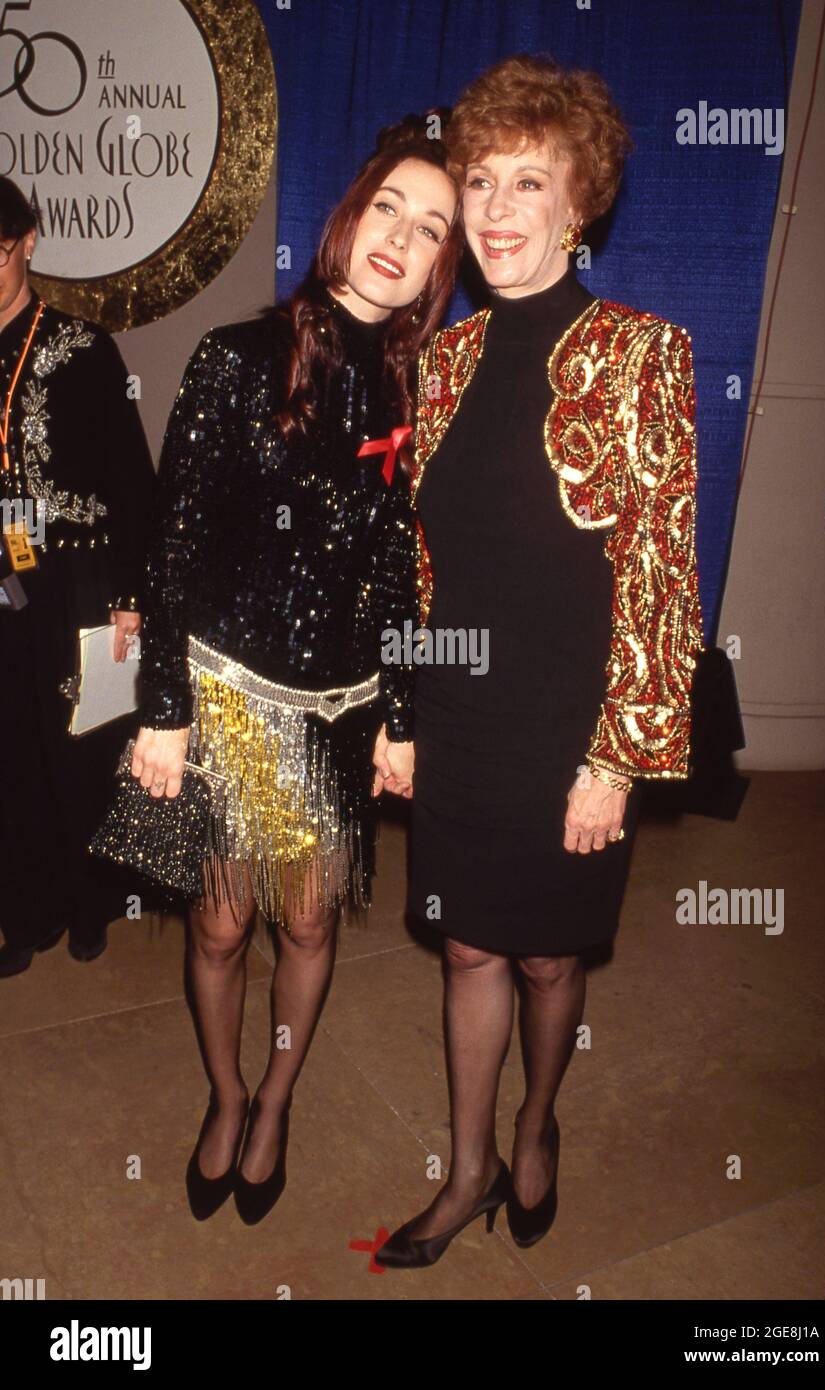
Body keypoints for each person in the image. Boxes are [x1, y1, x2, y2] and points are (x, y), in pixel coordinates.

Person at [375, 57, 705, 1268]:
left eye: (528, 181)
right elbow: (418, 567)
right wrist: (402, 712)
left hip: (571, 731)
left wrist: (615, 759)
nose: (496, 207)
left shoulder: (641, 354)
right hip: (460, 719)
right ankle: (463, 1170)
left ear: (579, 205)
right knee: (466, 944)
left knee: (550, 952)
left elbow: (662, 578)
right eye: (477, 181)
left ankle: (535, 1123)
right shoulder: (443, 361)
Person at [131, 115, 461, 1224]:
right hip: (228, 698)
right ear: (349, 214)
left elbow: (403, 574)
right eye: (388, 210)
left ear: (436, 268)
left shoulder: (414, 393)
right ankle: (224, 1095)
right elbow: (171, 544)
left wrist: (402, 713)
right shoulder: (237, 357)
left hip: (337, 712)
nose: (401, 239)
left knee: (310, 927)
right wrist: (165, 707)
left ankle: (277, 1100)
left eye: (431, 230)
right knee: (224, 926)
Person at [0, 176, 155, 978]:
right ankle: (23, 909)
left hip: (78, 578)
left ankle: (92, 900)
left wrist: (132, 599)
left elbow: (132, 480)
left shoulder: (84, 349)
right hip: (1, 584)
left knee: (84, 744)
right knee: (10, 751)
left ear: (27, 241)